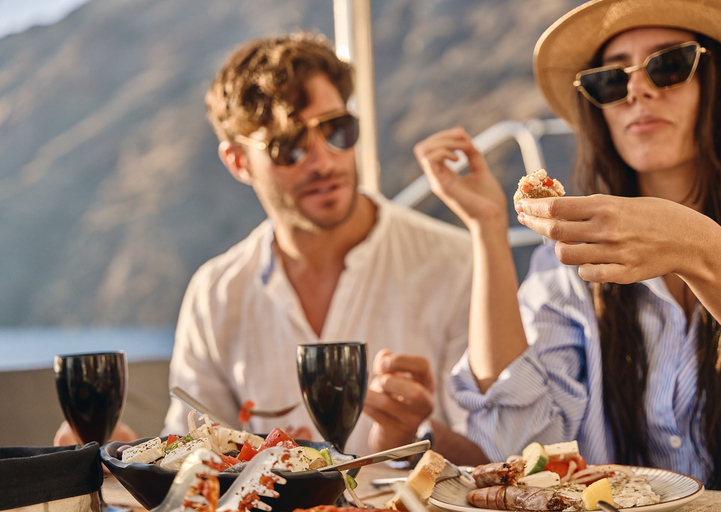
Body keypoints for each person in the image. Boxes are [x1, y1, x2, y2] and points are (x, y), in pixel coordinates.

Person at [415, 0, 721, 492]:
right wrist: (489, 226)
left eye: (668, 65)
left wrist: (701, 247)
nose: (636, 89)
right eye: (611, 79)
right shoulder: (567, 266)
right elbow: (523, 444)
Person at [159, 32, 481, 458]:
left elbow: (501, 458)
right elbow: (190, 459)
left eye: (336, 130)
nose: (324, 161)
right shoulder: (214, 293)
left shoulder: (458, 263)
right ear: (238, 162)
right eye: (289, 146)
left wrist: (414, 440)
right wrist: (121, 457)